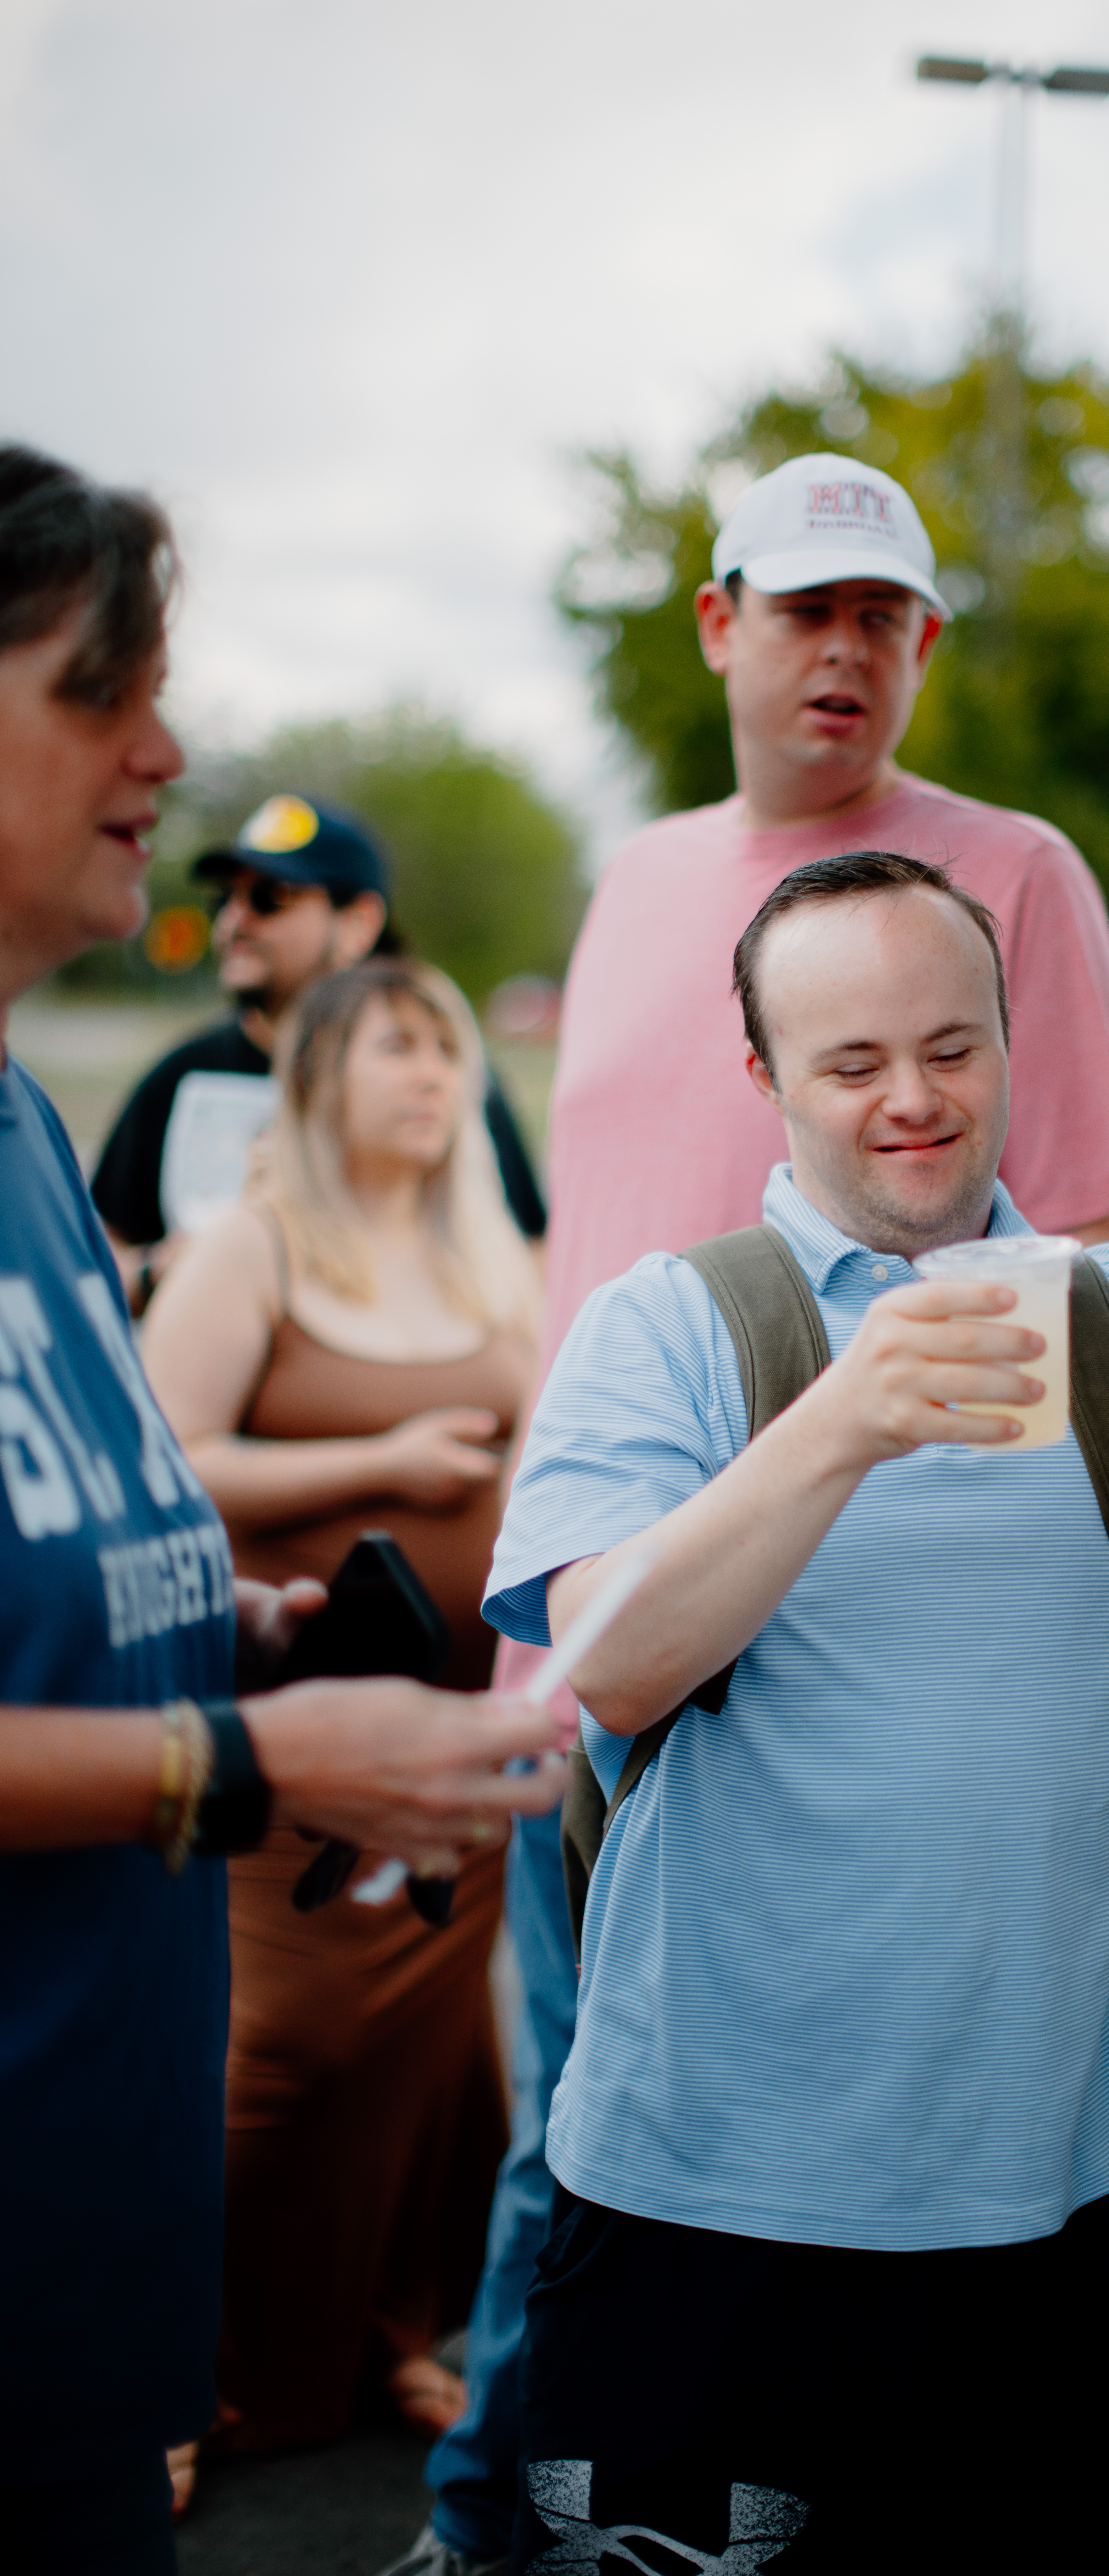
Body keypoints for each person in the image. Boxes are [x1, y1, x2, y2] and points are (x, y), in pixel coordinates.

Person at [398, 453, 1109, 2574]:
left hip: (855, 1658)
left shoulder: (1010, 871)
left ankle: (566, 2521)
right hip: (607, 1618)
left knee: (792, 2186)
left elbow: (1080, 1257)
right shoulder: (638, 880)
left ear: (921, 644)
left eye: (885, 614)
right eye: (804, 606)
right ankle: (495, 2524)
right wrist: (544, 1613)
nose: (846, 647)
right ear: (718, 625)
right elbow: (592, 1262)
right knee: (579, 2131)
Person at [484, 850, 1109, 2570]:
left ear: (1011, 1044)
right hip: (704, 2197)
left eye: (951, 1048)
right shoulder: (663, 1329)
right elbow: (612, 1671)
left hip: (1042, 2191)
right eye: (851, 1061)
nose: (912, 1101)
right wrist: (841, 1418)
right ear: (764, 1081)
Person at [0, 441, 566, 2576]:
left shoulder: (35, 1137)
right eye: (100, 688)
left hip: (78, 2295)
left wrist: (225, 1621)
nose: (166, 751)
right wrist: (241, 1757)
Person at [140, 956, 543, 2470]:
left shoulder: (498, 1253)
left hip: (462, 1737)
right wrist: (379, 1462)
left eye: (448, 1047)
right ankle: (174, 2380)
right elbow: (167, 1464)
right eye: (395, 1047)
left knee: (432, 2069)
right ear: (320, 1076)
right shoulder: (252, 1246)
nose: (434, 1075)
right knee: (274, 2063)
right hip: (291, 1746)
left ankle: (381, 2338)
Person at [91, 792, 546, 1310]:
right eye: (225, 901)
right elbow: (88, 1262)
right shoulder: (185, 1073)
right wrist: (162, 1274)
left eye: (269, 898)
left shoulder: (444, 1080)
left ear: (359, 923)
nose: (235, 923)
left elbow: (535, 1261)